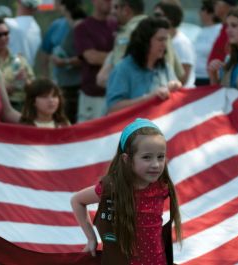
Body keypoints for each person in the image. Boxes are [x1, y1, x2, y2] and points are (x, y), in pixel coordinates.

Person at [71, 118, 182, 264]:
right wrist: (91, 238)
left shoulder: (161, 187)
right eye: (147, 157)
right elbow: (77, 200)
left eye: (160, 157)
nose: (156, 164)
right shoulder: (112, 187)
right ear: (127, 159)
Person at [96, 0, 184, 88]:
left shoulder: (129, 32)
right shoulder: (160, 29)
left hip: (140, 94)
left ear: (126, 10)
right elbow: (179, 73)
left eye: (116, 7)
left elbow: (119, 74)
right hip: (164, 91)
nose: (112, 12)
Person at [106, 17, 182, 113]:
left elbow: (176, 94)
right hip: (134, 127)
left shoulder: (164, 67)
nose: (164, 45)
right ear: (145, 41)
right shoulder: (123, 69)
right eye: (160, 39)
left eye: (165, 40)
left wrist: (176, 86)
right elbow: (113, 108)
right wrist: (148, 98)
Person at [74, 0, 117, 122]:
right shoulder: (83, 28)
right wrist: (118, 56)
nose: (109, 2)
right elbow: (91, 57)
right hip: (92, 95)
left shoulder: (118, 25)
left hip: (116, 96)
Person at [0, 16, 35, 111]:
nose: (3, 38)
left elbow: (35, 90)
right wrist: (3, 90)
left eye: (6, 33)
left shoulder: (19, 60)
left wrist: (26, 81)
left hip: (20, 106)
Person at [49, 0, 86, 124]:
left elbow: (85, 57)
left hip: (74, 87)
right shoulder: (68, 25)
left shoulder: (79, 26)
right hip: (66, 84)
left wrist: (64, 62)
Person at [155, 0, 196, 88]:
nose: (154, 19)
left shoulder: (182, 43)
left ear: (171, 18)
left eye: (158, 15)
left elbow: (183, 78)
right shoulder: (163, 40)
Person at [5, 0, 42, 67]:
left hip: (10, 73)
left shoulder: (8, 24)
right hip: (29, 74)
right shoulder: (37, 28)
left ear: (19, 2)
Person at [40, 0, 71, 80]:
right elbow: (45, 55)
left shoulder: (83, 25)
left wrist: (67, 62)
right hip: (59, 81)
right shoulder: (55, 25)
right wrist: (46, 78)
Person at [194, 0, 222, 86]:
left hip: (210, 79)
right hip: (197, 78)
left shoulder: (219, 30)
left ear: (210, 12)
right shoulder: (202, 31)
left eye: (202, 9)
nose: (199, 13)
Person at [207, 0, 238, 66]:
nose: (214, 5)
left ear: (228, 5)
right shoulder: (223, 28)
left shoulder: (235, 30)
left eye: (217, 2)